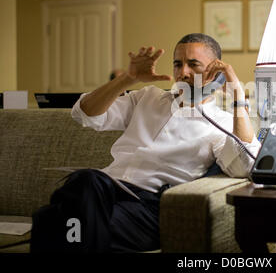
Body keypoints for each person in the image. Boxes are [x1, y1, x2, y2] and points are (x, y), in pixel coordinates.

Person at [30, 33, 261, 253]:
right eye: (178, 64)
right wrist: (128, 79)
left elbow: (245, 165)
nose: (183, 72)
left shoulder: (221, 122)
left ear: (216, 72)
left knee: (55, 222)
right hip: (105, 191)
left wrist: (238, 97)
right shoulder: (148, 97)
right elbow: (85, 114)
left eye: (194, 64)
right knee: (84, 183)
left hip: (148, 208)